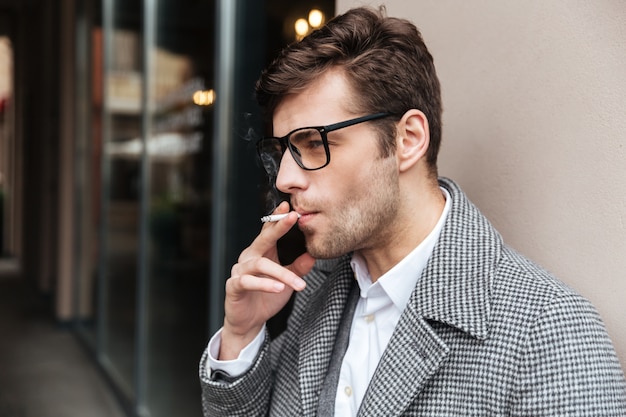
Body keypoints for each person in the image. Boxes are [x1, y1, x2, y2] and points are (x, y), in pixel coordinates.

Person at [199, 6, 626, 416]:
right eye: (283, 150)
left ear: (408, 140)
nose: (284, 179)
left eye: (314, 143)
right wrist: (241, 335)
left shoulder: (549, 333)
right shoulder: (313, 288)